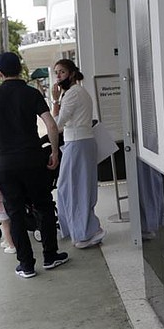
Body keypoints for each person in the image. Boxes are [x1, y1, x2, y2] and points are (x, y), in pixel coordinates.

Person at [0, 52, 69, 279]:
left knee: (15, 212)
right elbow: (50, 124)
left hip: (5, 164)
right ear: (21, 70)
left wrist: (0, 128)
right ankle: (50, 256)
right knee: (44, 206)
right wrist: (55, 151)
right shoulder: (32, 93)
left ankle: (26, 265)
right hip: (33, 160)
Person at [51, 58, 105, 249]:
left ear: (72, 73)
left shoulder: (73, 94)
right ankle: (81, 229)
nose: (58, 76)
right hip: (79, 143)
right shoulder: (75, 92)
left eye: (62, 72)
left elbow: (56, 123)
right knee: (71, 187)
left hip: (78, 143)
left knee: (74, 188)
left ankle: (87, 231)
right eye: (56, 72)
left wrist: (55, 100)